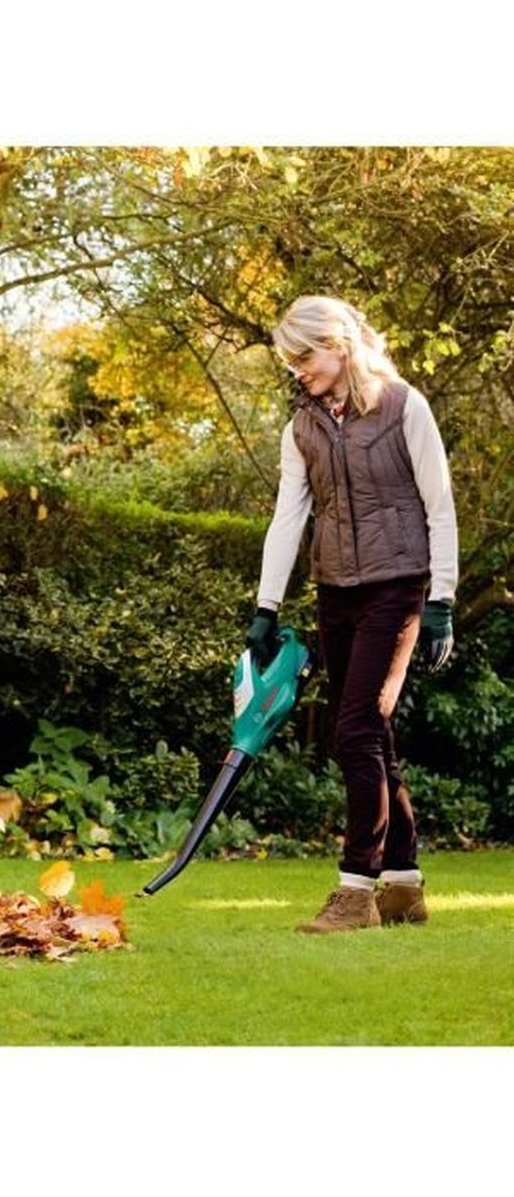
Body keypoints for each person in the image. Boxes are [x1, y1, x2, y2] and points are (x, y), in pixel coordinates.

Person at [246, 294, 458, 934]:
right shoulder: (301, 428)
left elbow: (439, 502)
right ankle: (403, 884)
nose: (297, 371)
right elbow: (289, 518)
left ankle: (354, 889)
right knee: (373, 734)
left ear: (337, 345)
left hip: (397, 587)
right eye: (291, 362)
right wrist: (266, 605)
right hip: (335, 589)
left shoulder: (403, 407)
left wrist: (442, 598)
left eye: (303, 357)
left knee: (355, 730)